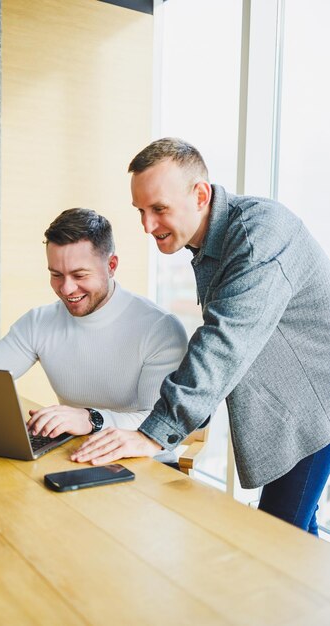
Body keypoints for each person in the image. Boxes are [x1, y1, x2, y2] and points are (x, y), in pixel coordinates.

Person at [71, 137, 330, 535]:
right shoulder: (211, 244)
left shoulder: (259, 234)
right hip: (298, 401)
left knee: (279, 538)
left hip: (317, 404)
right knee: (297, 538)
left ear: (200, 194)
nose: (147, 226)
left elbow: (225, 341)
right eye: (141, 211)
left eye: (159, 209)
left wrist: (154, 434)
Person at [0, 207, 188, 464]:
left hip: (148, 467)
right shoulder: (39, 322)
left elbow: (158, 423)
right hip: (76, 456)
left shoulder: (160, 329)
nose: (66, 288)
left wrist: (90, 419)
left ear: (111, 265)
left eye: (79, 275)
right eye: (56, 275)